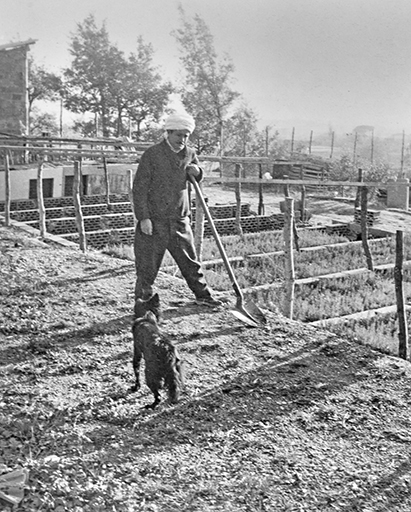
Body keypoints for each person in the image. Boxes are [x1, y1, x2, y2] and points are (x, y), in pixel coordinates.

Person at [132, 112, 221, 311]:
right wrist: (144, 218)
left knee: (190, 261)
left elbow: (197, 173)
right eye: (178, 135)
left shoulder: (189, 153)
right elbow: (139, 188)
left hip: (180, 218)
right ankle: (143, 303)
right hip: (155, 220)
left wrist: (198, 172)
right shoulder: (152, 154)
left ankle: (203, 296)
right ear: (168, 133)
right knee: (148, 264)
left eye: (186, 136)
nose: (182, 140)